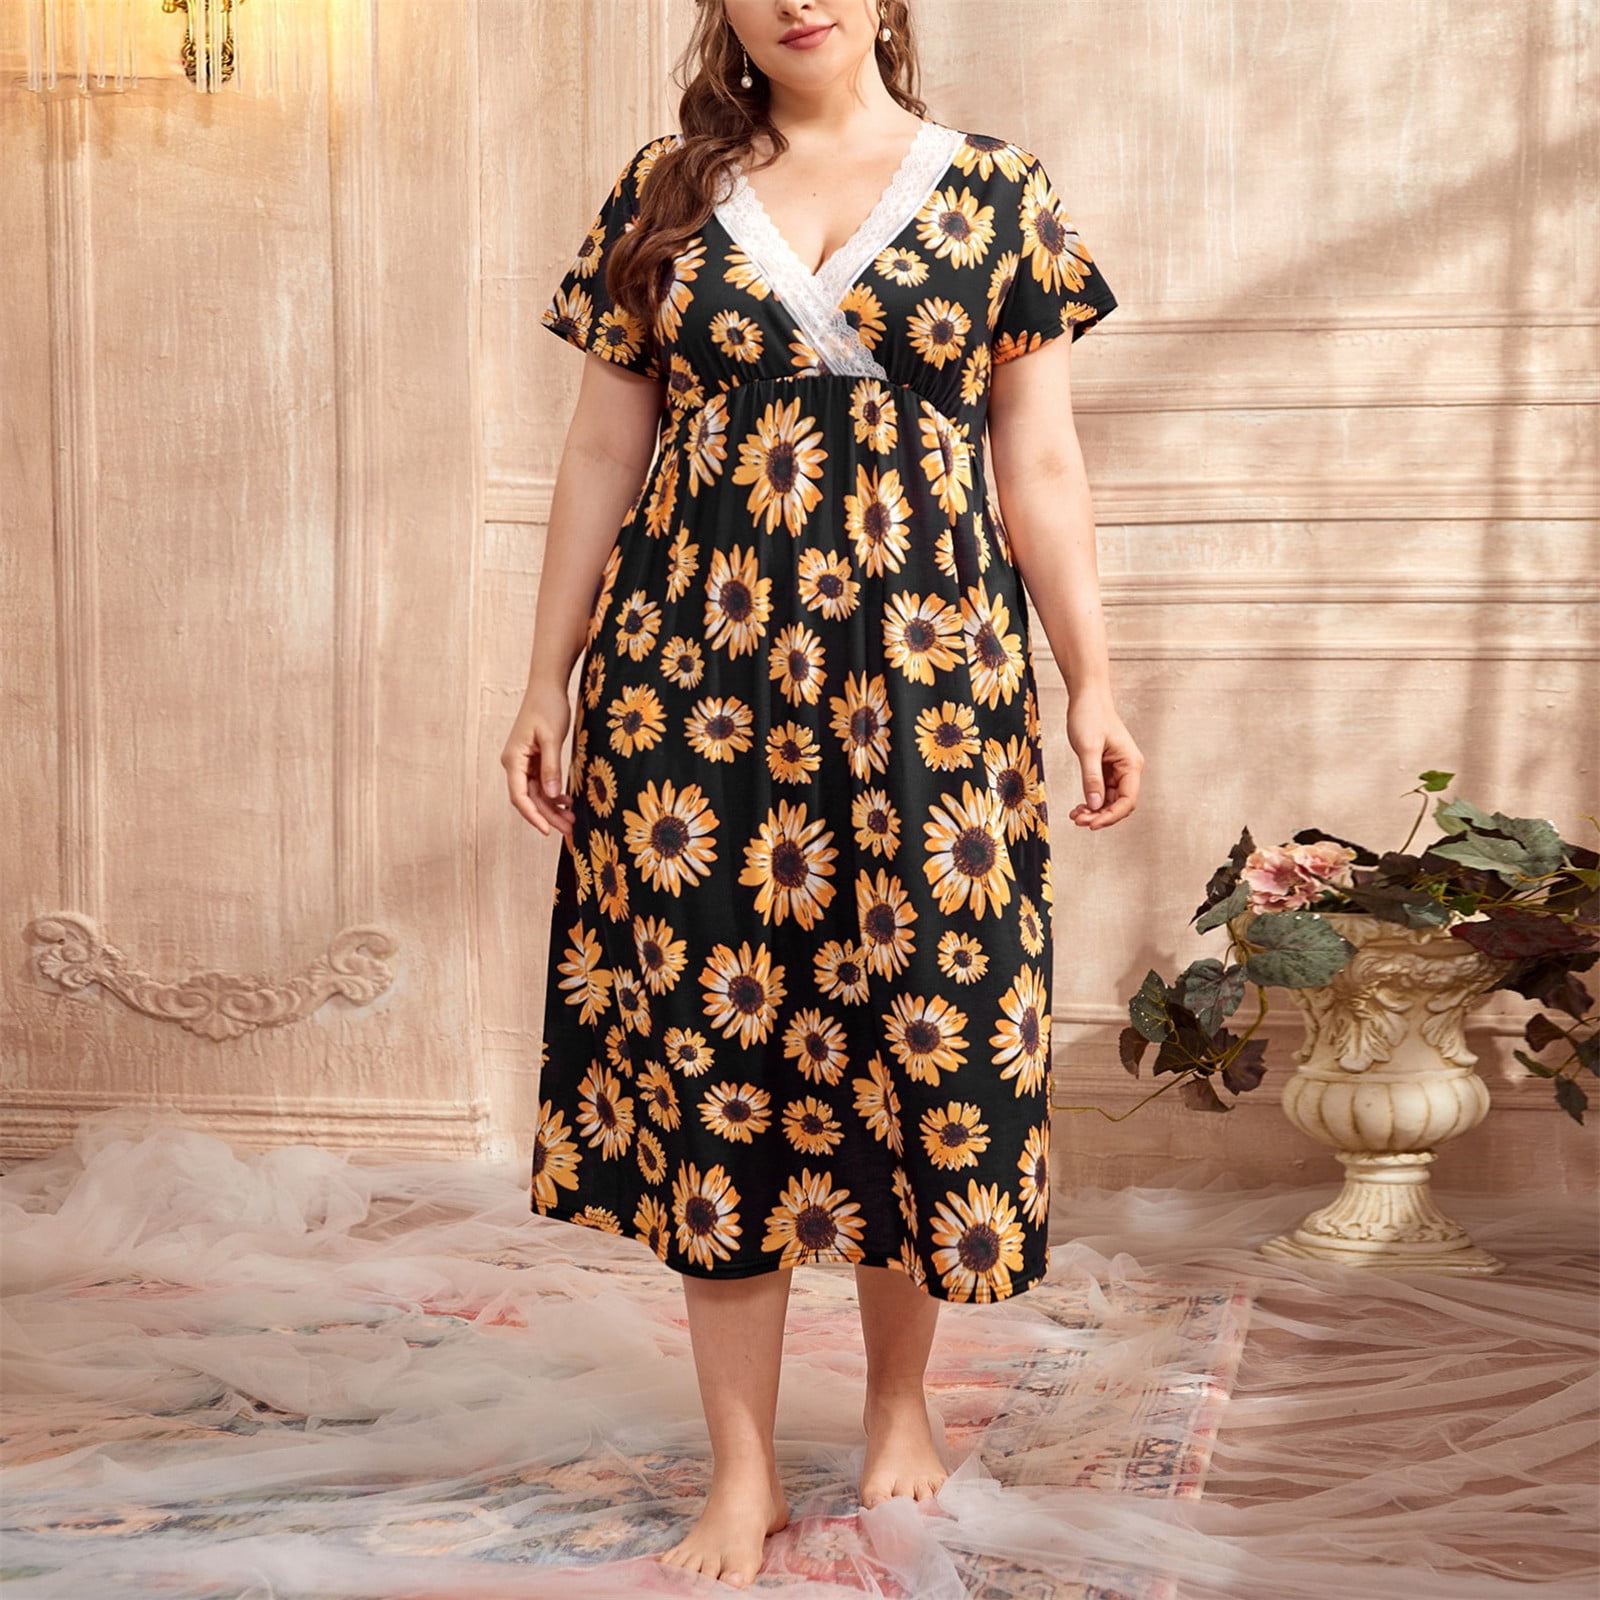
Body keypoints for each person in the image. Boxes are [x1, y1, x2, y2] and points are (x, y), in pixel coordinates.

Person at [501, 0, 1144, 1585]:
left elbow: (1041, 464)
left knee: (917, 1032)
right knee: (718, 1049)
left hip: (931, 683)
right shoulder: (662, 192)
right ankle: (738, 1471)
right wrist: (545, 679)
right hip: (691, 683)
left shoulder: (996, 189)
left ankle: (898, 1409)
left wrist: (1092, 680)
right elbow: (601, 454)